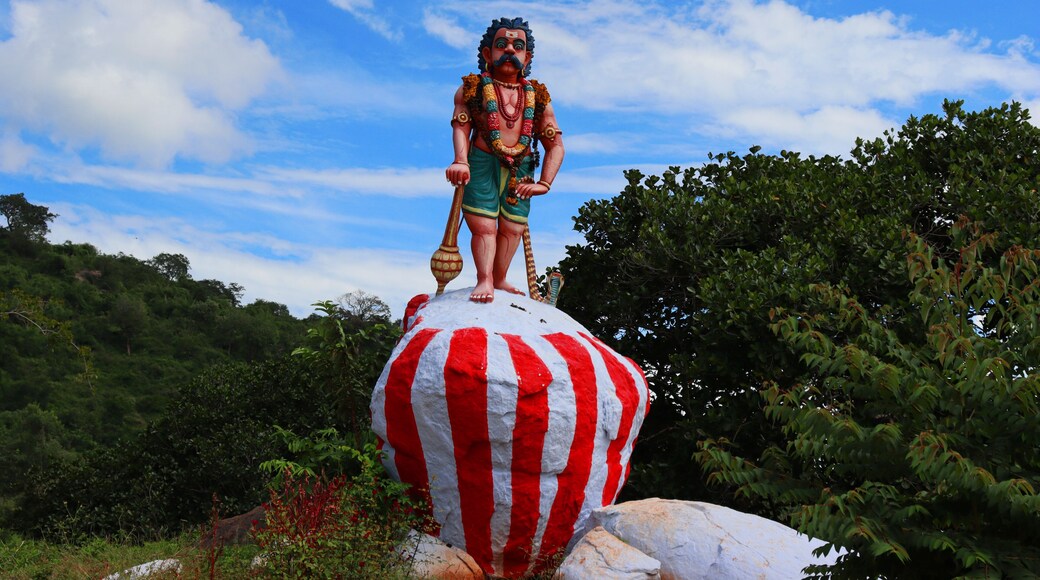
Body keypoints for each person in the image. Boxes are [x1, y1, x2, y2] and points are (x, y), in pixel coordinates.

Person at [445, 17, 564, 303]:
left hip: (522, 168)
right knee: (484, 225)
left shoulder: (538, 97)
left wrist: (545, 183)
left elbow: (556, 144)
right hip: (482, 162)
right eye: (502, 44)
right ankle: (484, 279)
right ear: (488, 53)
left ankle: (499, 278)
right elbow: (461, 127)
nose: (509, 50)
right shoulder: (472, 89)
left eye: (517, 46)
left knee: (512, 227)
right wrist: (460, 160)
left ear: (527, 56)